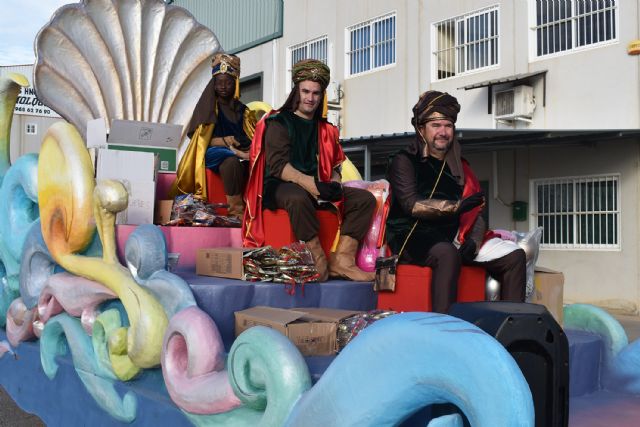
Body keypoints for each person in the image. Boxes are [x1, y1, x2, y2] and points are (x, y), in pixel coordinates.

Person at [386, 90, 526, 313]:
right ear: (421, 129)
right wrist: (454, 207)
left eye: (448, 126)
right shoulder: (404, 161)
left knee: (515, 256)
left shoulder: (460, 166)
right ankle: (445, 329)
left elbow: (477, 211)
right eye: (436, 125)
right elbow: (410, 204)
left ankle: (512, 328)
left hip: (454, 237)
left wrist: (474, 241)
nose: (443, 132)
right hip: (413, 237)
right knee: (446, 253)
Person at [243, 59, 376, 282]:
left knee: (364, 199)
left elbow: (336, 165)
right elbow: (278, 167)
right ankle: (316, 256)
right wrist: (313, 186)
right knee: (297, 197)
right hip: (280, 185)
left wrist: (333, 183)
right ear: (297, 91)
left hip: (317, 185)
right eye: (305, 91)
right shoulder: (278, 121)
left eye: (316, 93)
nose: (310, 98)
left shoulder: (327, 129)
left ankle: (342, 260)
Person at [171, 53, 256, 218]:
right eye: (219, 82)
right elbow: (200, 140)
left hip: (238, 151)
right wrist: (226, 142)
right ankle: (236, 211)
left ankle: (255, 209)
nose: (223, 86)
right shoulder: (209, 106)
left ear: (236, 83)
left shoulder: (243, 110)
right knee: (230, 161)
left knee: (253, 163)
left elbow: (252, 136)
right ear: (213, 84)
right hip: (211, 152)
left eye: (228, 82)